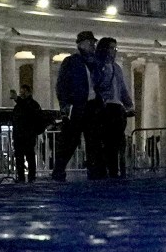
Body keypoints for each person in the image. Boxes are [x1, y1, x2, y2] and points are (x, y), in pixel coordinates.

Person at [53, 31, 99, 180]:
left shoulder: (94, 63)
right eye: (91, 43)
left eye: (94, 43)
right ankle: (59, 170)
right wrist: (64, 106)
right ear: (81, 44)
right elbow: (62, 85)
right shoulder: (71, 61)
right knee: (70, 140)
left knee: (93, 140)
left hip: (91, 106)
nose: (93, 45)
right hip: (77, 105)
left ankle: (93, 170)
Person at [92, 37, 132, 177]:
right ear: (104, 49)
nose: (114, 51)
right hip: (104, 107)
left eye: (116, 48)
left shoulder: (117, 68)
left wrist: (129, 105)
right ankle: (106, 170)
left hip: (117, 108)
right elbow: (94, 86)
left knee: (117, 142)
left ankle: (115, 170)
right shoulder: (97, 66)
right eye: (112, 48)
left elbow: (122, 89)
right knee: (107, 142)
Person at [7, 90, 45, 182]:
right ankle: (22, 177)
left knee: (29, 157)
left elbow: (27, 109)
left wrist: (17, 99)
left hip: (27, 135)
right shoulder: (21, 106)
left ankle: (30, 177)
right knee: (21, 158)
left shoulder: (31, 105)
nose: (21, 94)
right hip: (21, 135)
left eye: (23, 92)